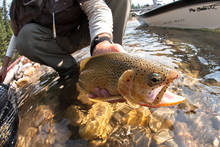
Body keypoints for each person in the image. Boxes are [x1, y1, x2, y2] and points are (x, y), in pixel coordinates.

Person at [0, 0, 130, 96]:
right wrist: (5, 66)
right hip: (57, 42)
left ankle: (114, 63)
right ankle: (71, 71)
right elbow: (16, 36)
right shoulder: (16, 9)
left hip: (86, 32)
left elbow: (95, 7)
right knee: (25, 37)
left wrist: (102, 42)